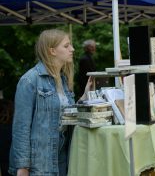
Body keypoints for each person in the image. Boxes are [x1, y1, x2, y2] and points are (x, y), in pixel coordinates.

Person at [9, 29, 93, 176]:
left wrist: (84, 97)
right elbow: (21, 127)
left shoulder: (63, 79)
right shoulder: (29, 80)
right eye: (66, 46)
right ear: (52, 51)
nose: (72, 49)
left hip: (62, 155)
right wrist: (22, 166)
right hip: (39, 161)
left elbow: (65, 114)